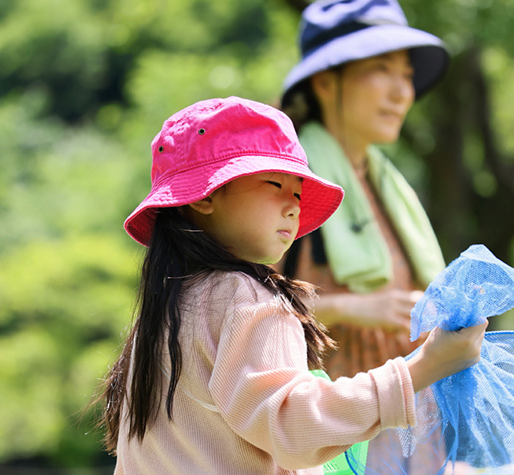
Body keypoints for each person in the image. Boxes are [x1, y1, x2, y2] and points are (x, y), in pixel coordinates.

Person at [99, 96, 487, 473]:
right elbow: (293, 425)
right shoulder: (243, 297)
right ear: (206, 196)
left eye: (298, 191)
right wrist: (422, 367)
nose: (294, 205)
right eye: (274, 183)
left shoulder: (162, 312)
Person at [279, 0, 450, 380]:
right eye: (381, 69)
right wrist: (349, 307)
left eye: (406, 75)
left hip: (414, 423)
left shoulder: (387, 182)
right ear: (325, 81)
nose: (402, 92)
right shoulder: (287, 182)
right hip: (330, 427)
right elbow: (237, 310)